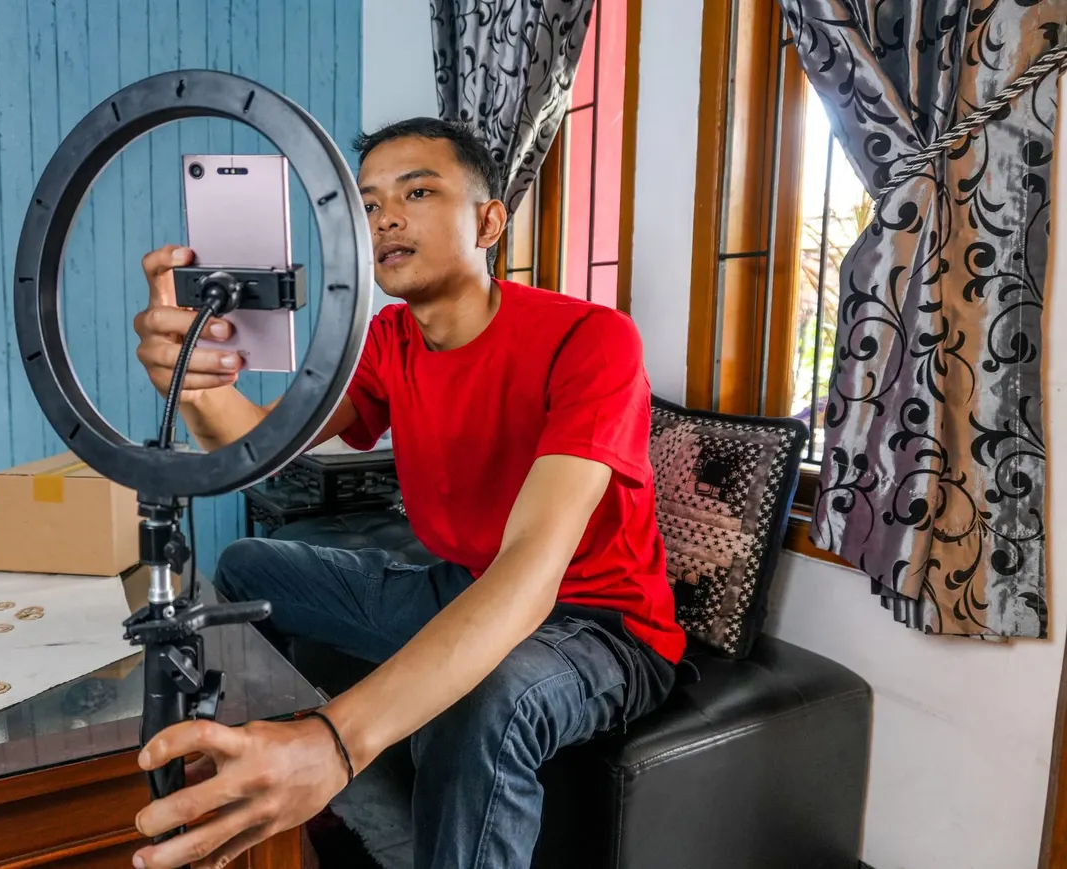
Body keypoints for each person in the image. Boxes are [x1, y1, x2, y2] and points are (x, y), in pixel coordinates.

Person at [127, 117, 685, 869]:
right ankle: (272, 777)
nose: (385, 216)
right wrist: (192, 380)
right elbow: (256, 443)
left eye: (417, 191)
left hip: (599, 623)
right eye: (367, 204)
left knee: (486, 696)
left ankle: (328, 774)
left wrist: (336, 739)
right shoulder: (389, 340)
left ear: (488, 221)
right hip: (462, 586)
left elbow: (530, 570)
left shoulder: (591, 339)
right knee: (251, 563)